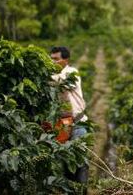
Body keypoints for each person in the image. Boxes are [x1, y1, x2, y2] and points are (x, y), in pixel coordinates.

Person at [50, 46, 89, 185]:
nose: (52, 62)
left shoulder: (72, 72)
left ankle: (82, 190)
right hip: (62, 125)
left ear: (65, 60)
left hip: (77, 123)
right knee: (65, 162)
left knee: (80, 160)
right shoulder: (53, 76)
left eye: (56, 59)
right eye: (51, 58)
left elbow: (61, 81)